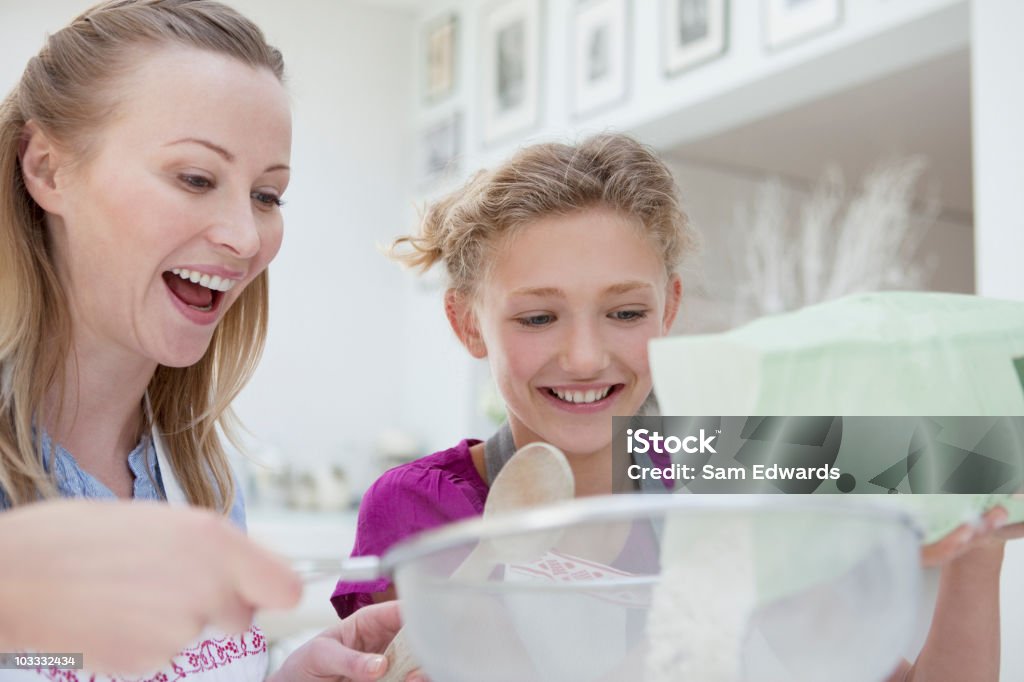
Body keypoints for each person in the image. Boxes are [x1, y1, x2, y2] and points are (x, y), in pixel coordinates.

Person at [332, 133, 1016, 681]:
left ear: (671, 309)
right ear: (468, 323)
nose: (584, 357)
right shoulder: (423, 510)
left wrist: (976, 552)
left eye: (625, 311)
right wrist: (710, 597)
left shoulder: (733, 464)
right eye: (538, 317)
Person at [0, 1, 418, 680]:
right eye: (195, 178)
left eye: (267, 195)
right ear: (48, 170)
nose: (246, 238)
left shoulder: (201, 478)